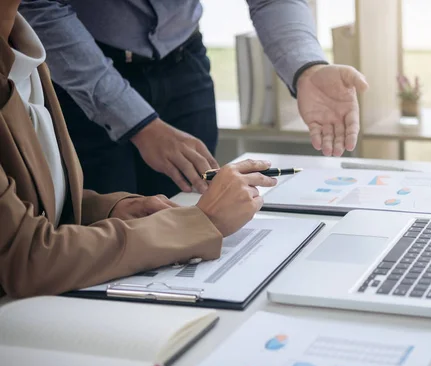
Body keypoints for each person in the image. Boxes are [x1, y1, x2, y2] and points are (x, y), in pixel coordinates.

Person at [0, 2, 276, 299]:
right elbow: (28, 259)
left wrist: (107, 209)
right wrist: (199, 223)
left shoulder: (25, 51)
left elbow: (27, 206)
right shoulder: (36, 49)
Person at [19, 0, 369, 198]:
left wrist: (306, 67)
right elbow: (40, 8)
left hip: (185, 62)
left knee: (192, 217)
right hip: (82, 76)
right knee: (105, 229)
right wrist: (138, 123)